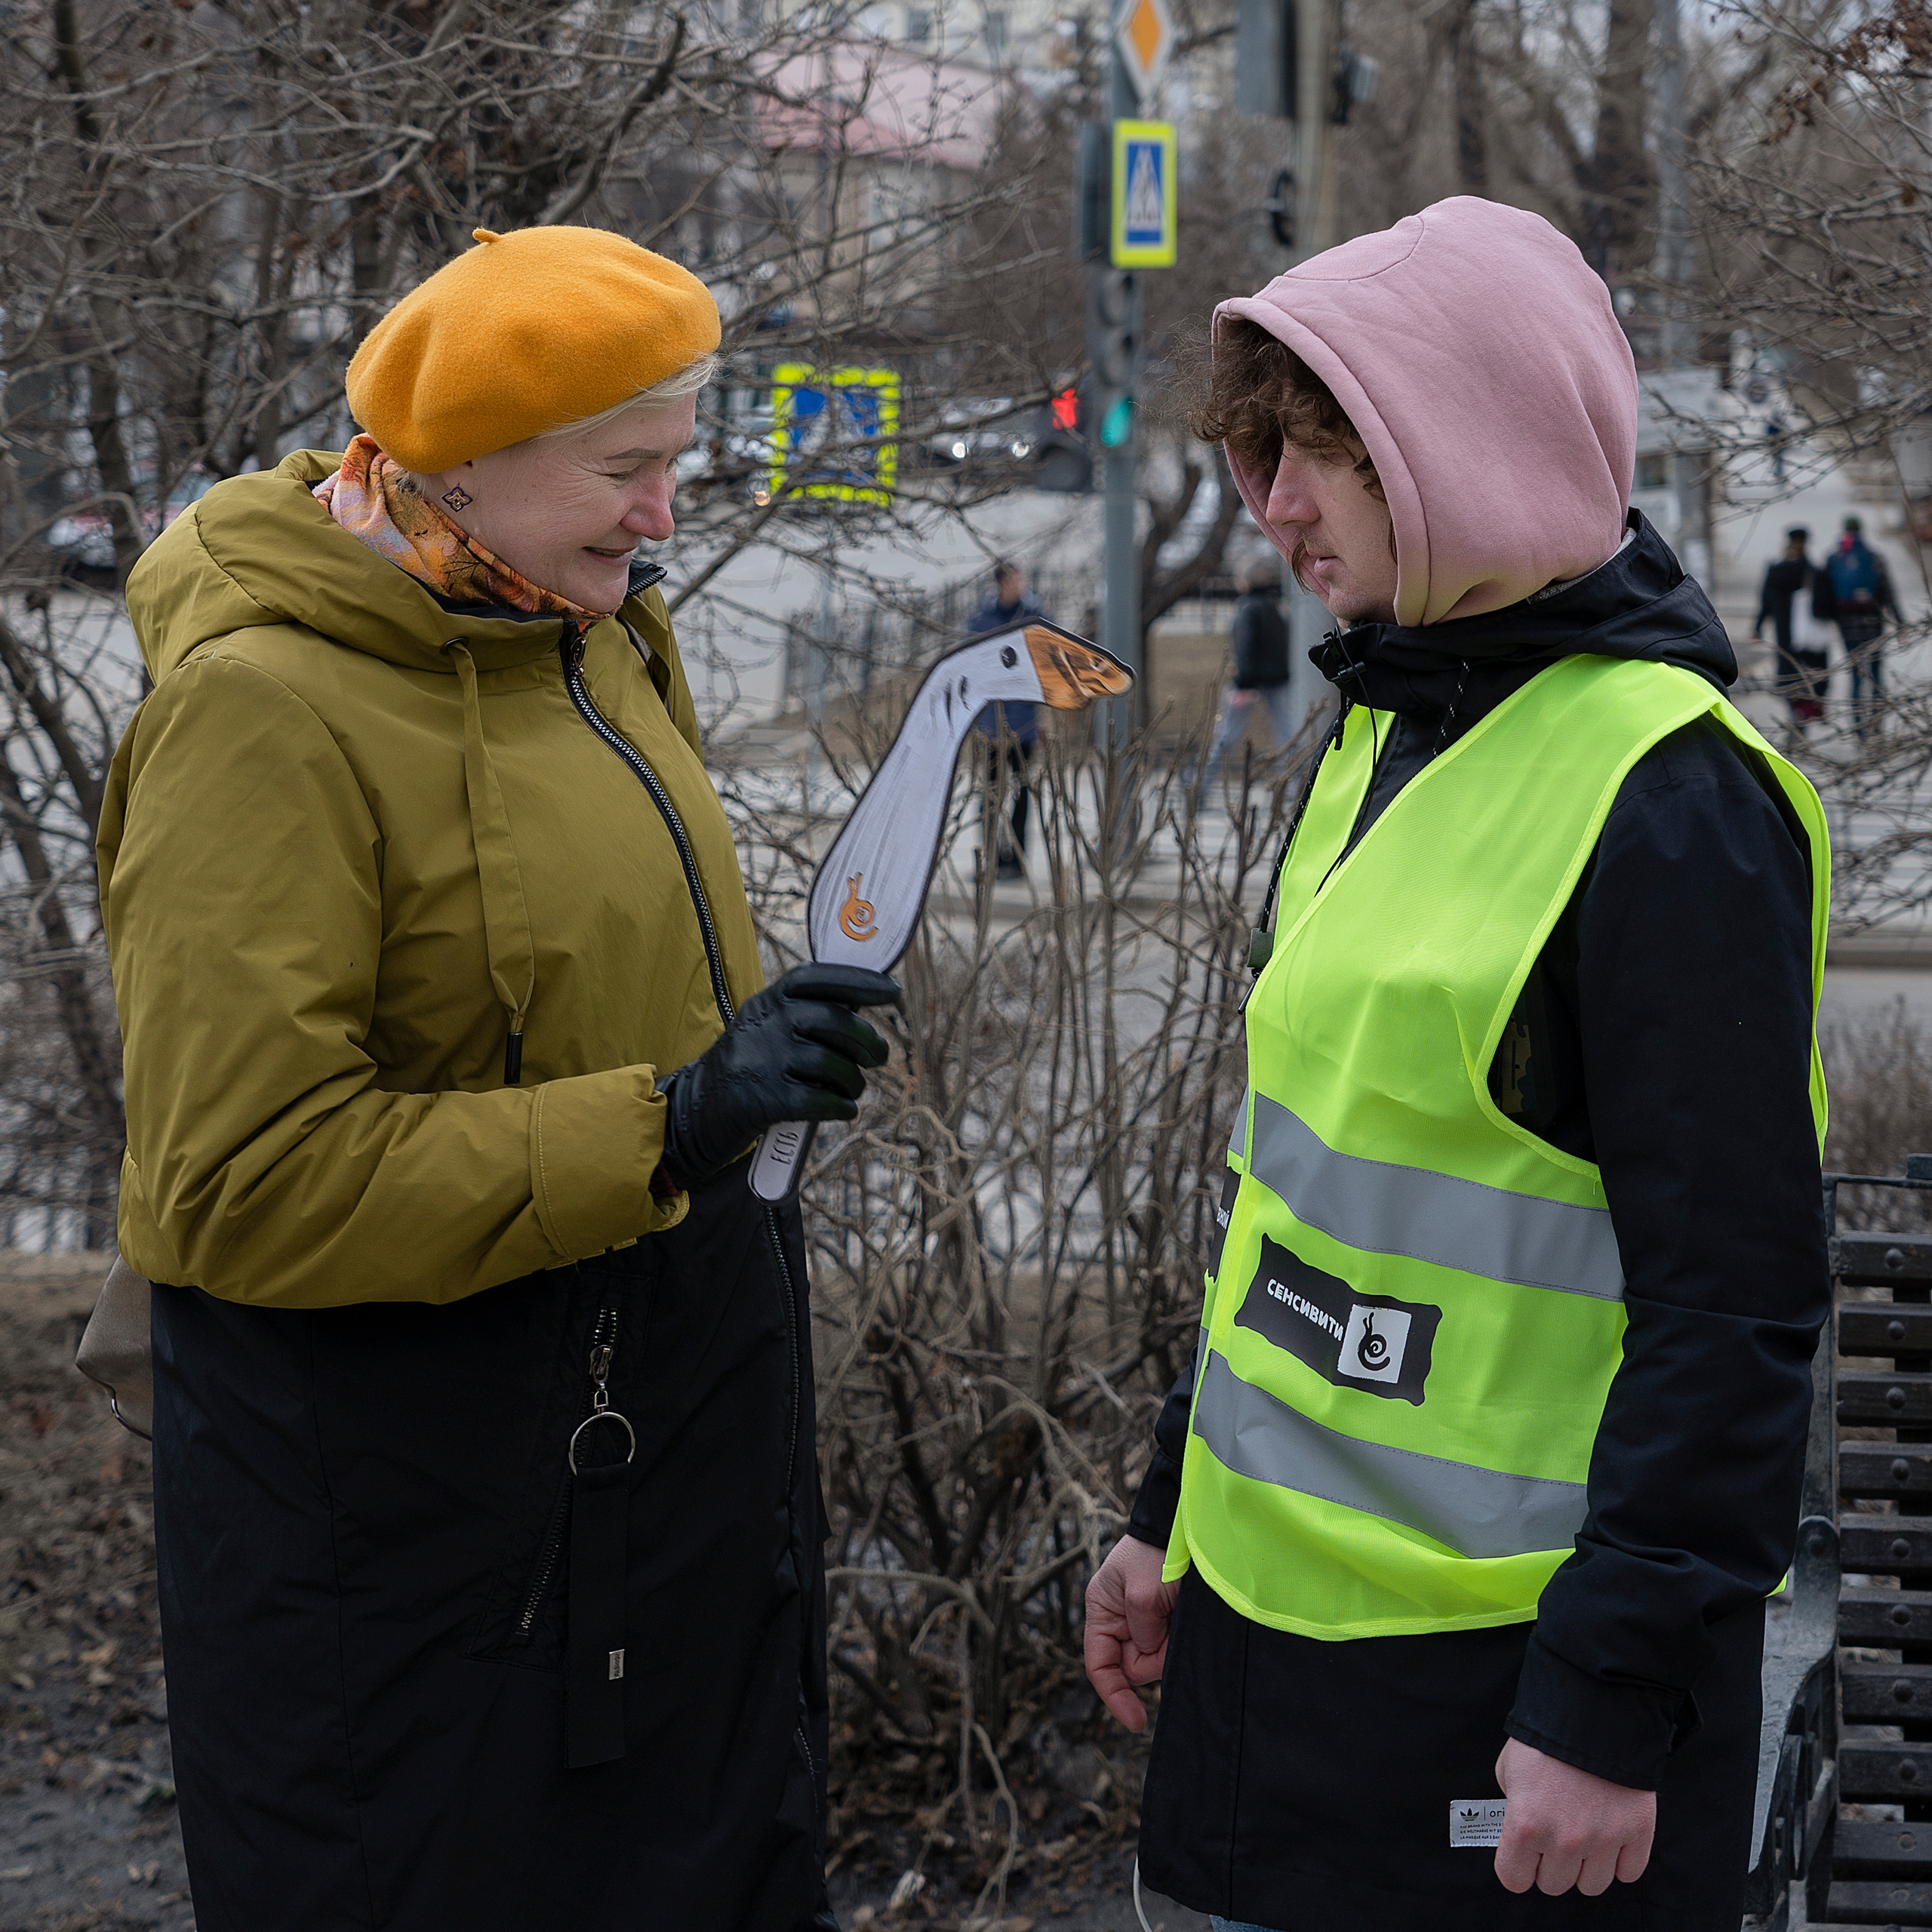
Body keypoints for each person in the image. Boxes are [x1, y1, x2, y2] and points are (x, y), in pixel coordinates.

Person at [100, 226, 900, 1932]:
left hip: (655, 1468)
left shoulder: (580, 633)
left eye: (675, 461)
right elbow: (239, 1184)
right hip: (418, 1542)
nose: (665, 512)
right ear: (463, 465)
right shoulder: (261, 714)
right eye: (626, 467)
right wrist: (675, 1117)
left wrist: (745, 1087)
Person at [1082, 196, 1829, 1932]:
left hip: (1506, 1698)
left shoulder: (1669, 797)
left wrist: (1607, 1703)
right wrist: (1166, 1515)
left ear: (1464, 453)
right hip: (1266, 1642)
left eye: (1314, 461)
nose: (1267, 508)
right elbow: (1298, 1190)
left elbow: (1730, 1307)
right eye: (1257, 452)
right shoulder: (1386, 725)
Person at [967, 560, 1046, 879]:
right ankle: (989, 858)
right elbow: (972, 668)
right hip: (991, 728)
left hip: (1024, 725)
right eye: (1016, 581)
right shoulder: (982, 620)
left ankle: (1018, 860)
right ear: (1001, 584)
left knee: (1022, 794)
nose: (1021, 586)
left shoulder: (1035, 619)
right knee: (989, 795)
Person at [1195, 559, 1297, 789]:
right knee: (1285, 733)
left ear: (1245, 581)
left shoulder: (1247, 608)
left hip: (1249, 681)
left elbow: (1245, 647)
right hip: (1277, 679)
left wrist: (1243, 683)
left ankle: (1200, 784)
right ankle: (1292, 785)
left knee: (1227, 735)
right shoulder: (1275, 607)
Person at [1826, 513, 1903, 734]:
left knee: (1856, 674)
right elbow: (1888, 592)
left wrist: (1834, 618)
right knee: (1877, 673)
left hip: (1847, 624)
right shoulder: (1874, 557)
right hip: (1873, 622)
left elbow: (1827, 594)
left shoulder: (1835, 558)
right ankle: (1877, 724)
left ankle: (1859, 727)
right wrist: (1900, 622)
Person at [1754, 525, 1831, 727]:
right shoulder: (1812, 571)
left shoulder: (1776, 570)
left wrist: (1758, 626)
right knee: (1810, 675)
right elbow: (1826, 603)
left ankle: (1795, 715)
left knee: (1789, 675)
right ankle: (1806, 716)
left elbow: (1765, 601)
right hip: (1808, 635)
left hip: (1785, 634)